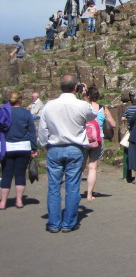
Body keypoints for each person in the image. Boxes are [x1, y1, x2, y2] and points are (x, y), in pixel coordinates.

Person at [38, 75, 96, 233]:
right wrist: (84, 97)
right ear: (75, 88)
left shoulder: (49, 105)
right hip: (74, 148)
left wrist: (45, 146)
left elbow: (42, 129)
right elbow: (93, 115)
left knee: (53, 187)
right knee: (72, 187)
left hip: (55, 147)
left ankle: (54, 223)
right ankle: (69, 223)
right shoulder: (81, 105)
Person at [0, 91, 38, 210]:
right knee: (20, 174)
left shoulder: (3, 112)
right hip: (23, 147)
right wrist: (34, 148)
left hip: (7, 147)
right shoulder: (26, 113)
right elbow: (32, 132)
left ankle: (3, 202)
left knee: (6, 174)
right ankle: (19, 201)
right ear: (20, 100)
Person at [84, 86, 116, 201]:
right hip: (98, 139)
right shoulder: (103, 108)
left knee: (80, 167)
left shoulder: (84, 107)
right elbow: (113, 124)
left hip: (84, 139)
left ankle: (73, 192)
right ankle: (89, 195)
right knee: (92, 167)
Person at [120, 98, 136, 182]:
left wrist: (127, 119)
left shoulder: (128, 109)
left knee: (129, 150)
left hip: (130, 131)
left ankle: (129, 172)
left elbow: (122, 118)